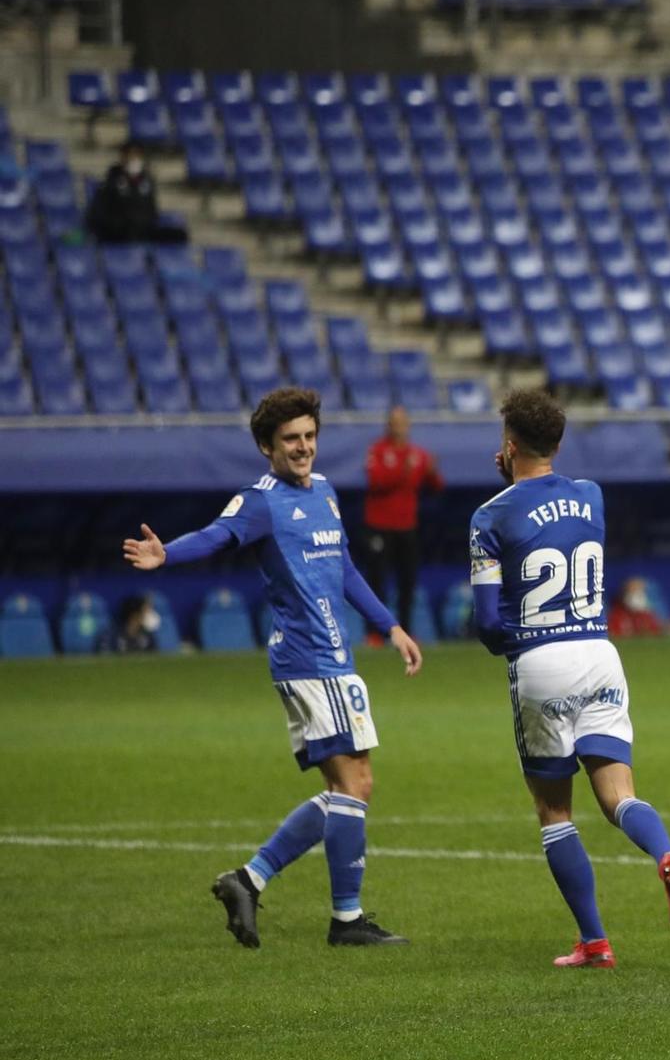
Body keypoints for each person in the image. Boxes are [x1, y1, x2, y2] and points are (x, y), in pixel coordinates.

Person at [121, 386, 421, 949]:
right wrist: (167, 554)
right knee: (357, 783)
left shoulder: (326, 493)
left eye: (309, 436)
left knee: (346, 787)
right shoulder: (260, 501)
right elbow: (217, 534)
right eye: (291, 440)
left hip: (335, 656)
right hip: (308, 658)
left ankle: (248, 880)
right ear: (267, 446)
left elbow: (345, 569)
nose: (303, 447)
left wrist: (391, 626)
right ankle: (346, 921)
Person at [469, 388, 670, 969]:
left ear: (508, 444)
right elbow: (548, 505)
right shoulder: (590, 496)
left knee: (555, 813)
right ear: (559, 442)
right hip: (600, 653)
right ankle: (666, 853)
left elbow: (486, 623)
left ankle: (595, 941)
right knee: (618, 795)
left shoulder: (490, 515)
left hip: (542, 661)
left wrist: (511, 645)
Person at [363, 404, 444, 637]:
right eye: (394, 422)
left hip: (406, 527)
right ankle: (375, 634)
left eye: (402, 422)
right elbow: (375, 481)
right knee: (377, 581)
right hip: (379, 525)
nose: (399, 427)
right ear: (388, 425)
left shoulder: (418, 454)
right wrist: (402, 471)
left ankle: (406, 630)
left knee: (407, 582)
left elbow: (436, 487)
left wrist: (432, 472)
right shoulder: (378, 450)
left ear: (408, 425)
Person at [85, 142, 185, 245]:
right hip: (120, 232)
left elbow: (152, 211)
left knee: (178, 235)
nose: (134, 160)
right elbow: (102, 214)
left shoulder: (147, 182)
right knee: (130, 232)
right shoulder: (111, 182)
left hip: (143, 229)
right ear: (123, 158)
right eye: (131, 156)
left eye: (137, 156)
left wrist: (145, 221)